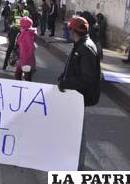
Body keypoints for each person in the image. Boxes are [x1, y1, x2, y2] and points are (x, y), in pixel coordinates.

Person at [57, 16, 101, 170]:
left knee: (78, 132)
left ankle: (78, 167)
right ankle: (71, 160)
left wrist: (67, 83)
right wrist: (64, 76)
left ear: (74, 31)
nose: (68, 32)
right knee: (72, 129)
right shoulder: (80, 44)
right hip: (75, 95)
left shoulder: (85, 48)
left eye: (70, 29)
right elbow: (75, 67)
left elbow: (87, 78)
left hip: (80, 96)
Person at [3, 0, 30, 70]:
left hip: (24, 31)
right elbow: (9, 20)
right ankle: (5, 62)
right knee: (11, 45)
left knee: (29, 45)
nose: (22, 6)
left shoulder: (26, 12)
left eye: (23, 4)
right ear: (18, 5)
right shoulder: (14, 11)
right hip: (15, 30)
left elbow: (30, 21)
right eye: (20, 4)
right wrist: (9, 24)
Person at [15, 17, 37, 81]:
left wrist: (26, 58)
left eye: (21, 24)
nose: (20, 25)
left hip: (27, 60)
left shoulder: (27, 34)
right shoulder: (24, 32)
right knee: (18, 75)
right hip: (23, 59)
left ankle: (25, 89)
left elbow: (32, 47)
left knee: (26, 78)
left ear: (24, 25)